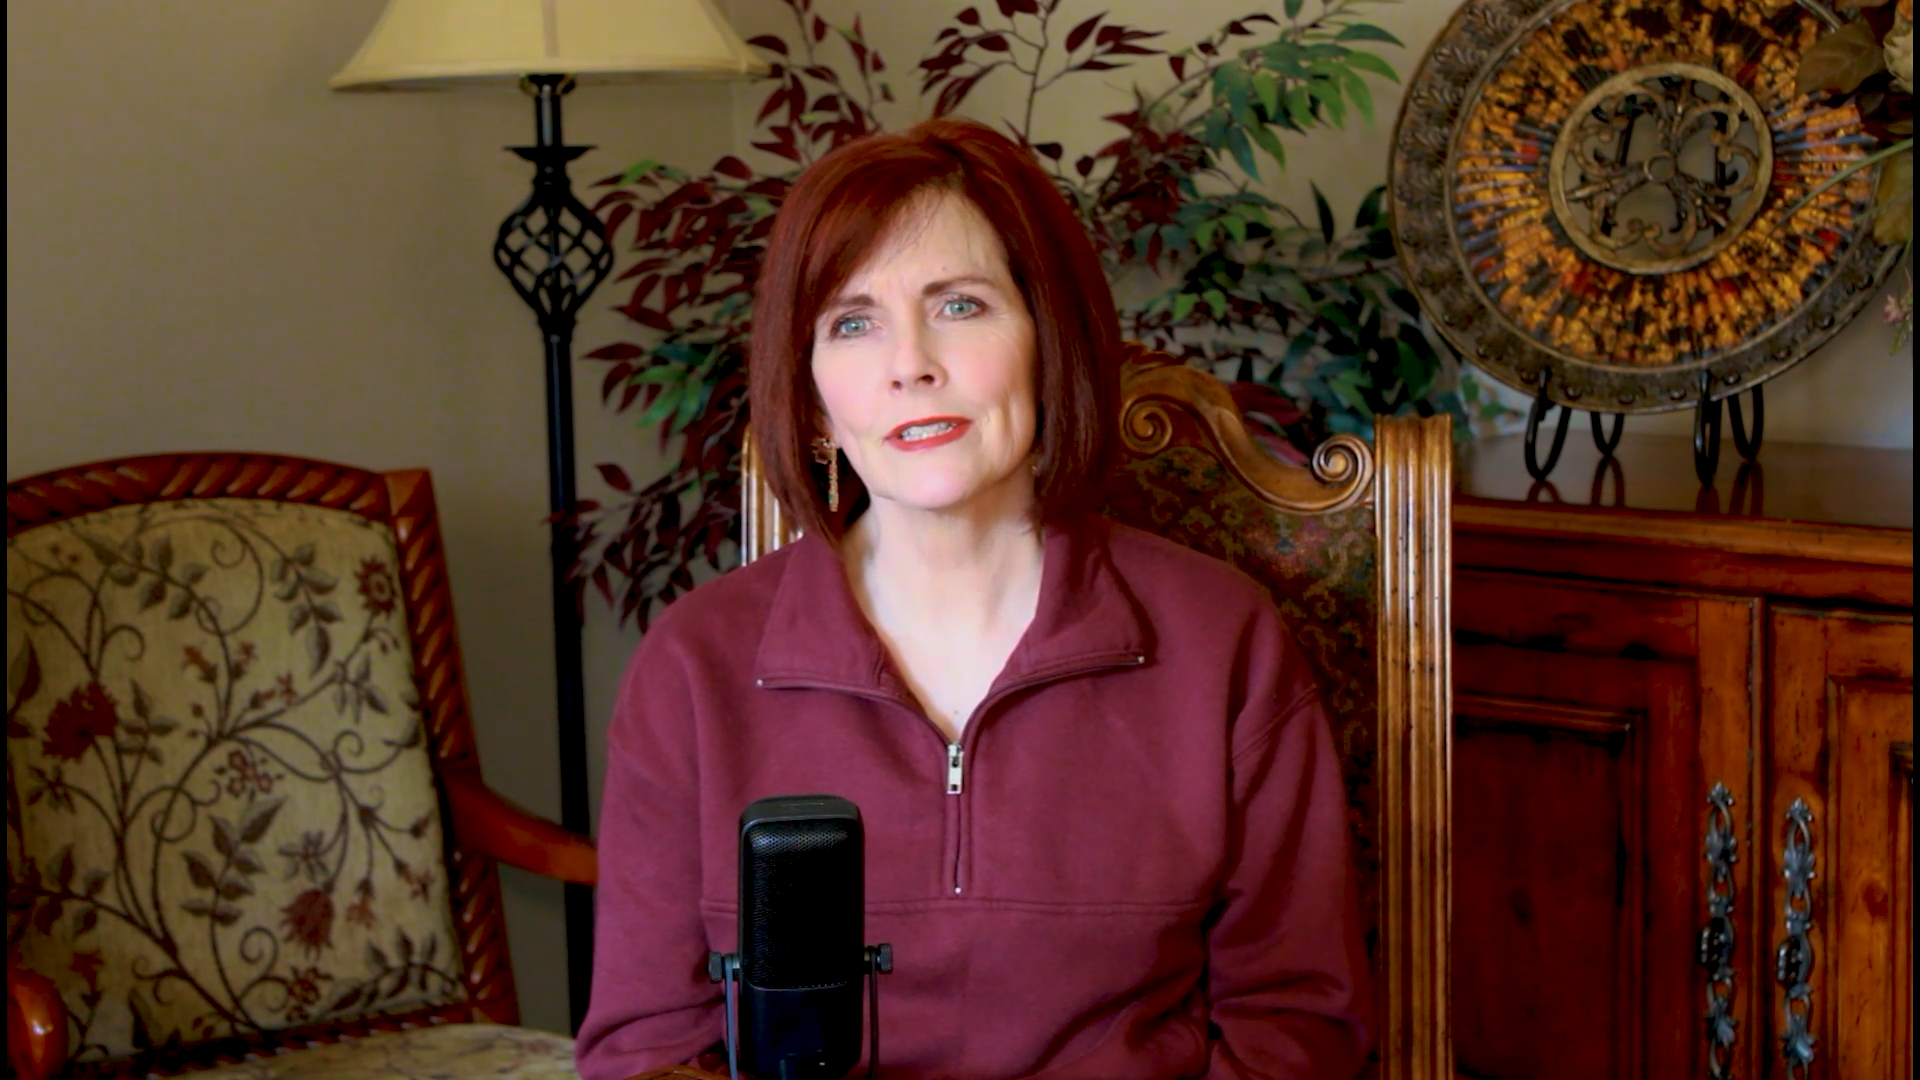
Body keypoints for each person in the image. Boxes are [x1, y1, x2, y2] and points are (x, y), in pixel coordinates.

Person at [574, 117, 1371, 1080]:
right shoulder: (695, 662)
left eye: (959, 305)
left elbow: (1296, 1028)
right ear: (817, 396)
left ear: (1050, 339)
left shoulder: (1222, 641)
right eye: (852, 322)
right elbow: (646, 1049)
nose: (909, 363)